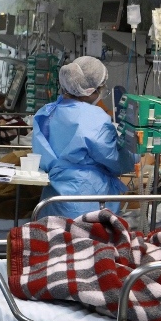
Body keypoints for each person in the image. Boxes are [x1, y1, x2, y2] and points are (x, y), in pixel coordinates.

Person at [32, 56, 136, 219]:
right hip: (85, 200)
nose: (102, 92)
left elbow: (42, 158)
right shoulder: (94, 118)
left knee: (53, 241)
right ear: (89, 90)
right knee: (83, 243)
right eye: (101, 88)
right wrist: (134, 150)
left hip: (53, 199)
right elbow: (118, 161)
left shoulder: (47, 112)